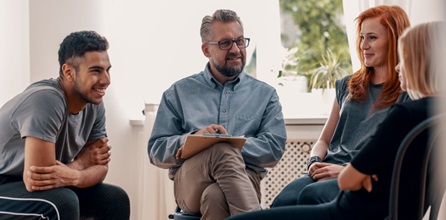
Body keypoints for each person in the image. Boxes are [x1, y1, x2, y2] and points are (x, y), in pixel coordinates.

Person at [227, 20, 445, 220]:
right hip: (378, 209)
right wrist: (368, 173)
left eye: (404, 58)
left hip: (345, 212)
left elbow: (346, 181)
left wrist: (357, 172)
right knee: (285, 200)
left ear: (421, 63)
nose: (398, 66)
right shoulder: (435, 115)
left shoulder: (404, 114)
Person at [148, 9, 287, 220]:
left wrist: (232, 143)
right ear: (206, 50)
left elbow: (273, 149)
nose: (235, 49)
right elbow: (156, 150)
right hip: (190, 182)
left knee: (215, 196)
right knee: (220, 150)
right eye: (225, 43)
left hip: (246, 179)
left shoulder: (265, 95)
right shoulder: (178, 92)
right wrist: (194, 140)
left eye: (240, 41)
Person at [271, 5, 411, 207]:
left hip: (360, 176)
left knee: (310, 196)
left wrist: (346, 170)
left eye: (372, 37)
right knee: (282, 201)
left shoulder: (407, 94)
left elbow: (396, 157)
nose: (363, 45)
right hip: (325, 169)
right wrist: (314, 162)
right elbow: (324, 140)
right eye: (362, 37)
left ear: (395, 40)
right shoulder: (348, 84)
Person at [0, 31, 130, 220]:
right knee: (62, 202)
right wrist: (81, 164)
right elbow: (38, 180)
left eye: (107, 70)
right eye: (96, 71)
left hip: (28, 183)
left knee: (115, 199)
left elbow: (100, 168)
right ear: (68, 72)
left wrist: (74, 175)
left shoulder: (94, 104)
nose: (106, 80)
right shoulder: (46, 99)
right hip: (6, 182)